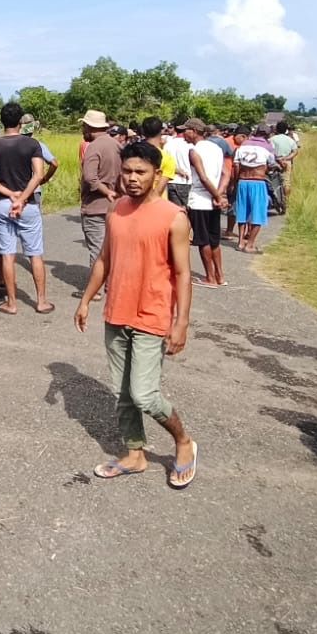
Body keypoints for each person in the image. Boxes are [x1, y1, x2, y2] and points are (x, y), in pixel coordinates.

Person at [75, 140, 197, 487]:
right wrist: (86, 300)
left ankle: (183, 441)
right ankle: (135, 454)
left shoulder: (174, 217)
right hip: (117, 313)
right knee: (122, 392)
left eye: (140, 172)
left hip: (152, 315)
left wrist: (181, 322)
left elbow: (183, 274)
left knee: (144, 394)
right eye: (127, 171)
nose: (131, 178)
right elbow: (104, 261)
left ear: (157, 174)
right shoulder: (116, 211)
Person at [0, 102, 53, 315]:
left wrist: (10, 194)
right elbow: (39, 175)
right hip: (28, 205)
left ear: (2, 120)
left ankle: (11, 303)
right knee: (35, 254)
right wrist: (22, 197)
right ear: (20, 121)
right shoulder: (31, 144)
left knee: (7, 255)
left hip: (3, 205)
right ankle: (41, 302)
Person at [78, 110, 120, 297]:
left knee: (97, 249)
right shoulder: (117, 145)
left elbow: (90, 177)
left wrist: (106, 191)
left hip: (95, 206)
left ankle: (94, 290)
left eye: (84, 126)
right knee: (111, 247)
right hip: (115, 206)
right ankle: (111, 285)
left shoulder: (93, 147)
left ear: (89, 127)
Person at [182, 118, 228, 288]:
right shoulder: (216, 148)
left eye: (185, 130)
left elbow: (202, 177)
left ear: (193, 131)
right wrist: (220, 194)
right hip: (214, 201)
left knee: (203, 240)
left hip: (200, 200)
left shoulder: (194, 151)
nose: (183, 134)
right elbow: (226, 173)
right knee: (214, 239)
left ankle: (210, 277)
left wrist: (217, 196)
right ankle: (220, 275)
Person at [232, 127, 276, 254]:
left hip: (242, 182)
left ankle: (240, 242)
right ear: (267, 135)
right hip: (257, 182)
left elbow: (236, 166)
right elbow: (272, 164)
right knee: (258, 214)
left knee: (242, 213)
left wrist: (235, 183)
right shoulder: (267, 147)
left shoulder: (243, 146)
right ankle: (250, 245)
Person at [159, 120, 191, 210]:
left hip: (170, 180)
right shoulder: (189, 145)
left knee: (175, 211)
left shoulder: (168, 143)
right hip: (185, 181)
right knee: (185, 211)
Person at [270, 121, 298, 198]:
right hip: (287, 162)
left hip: (274, 162)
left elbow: (269, 151)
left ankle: (275, 199)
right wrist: (286, 158)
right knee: (286, 182)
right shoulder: (290, 140)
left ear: (276, 129)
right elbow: (295, 152)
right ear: (286, 129)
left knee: (273, 181)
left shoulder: (272, 139)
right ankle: (286, 201)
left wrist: (278, 158)